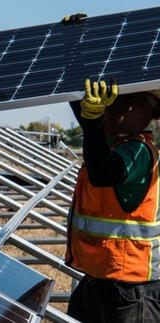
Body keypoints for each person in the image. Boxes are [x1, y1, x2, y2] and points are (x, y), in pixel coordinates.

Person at [66, 79, 160, 322]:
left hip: (130, 287)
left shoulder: (137, 151)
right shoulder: (113, 144)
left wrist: (92, 120)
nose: (105, 109)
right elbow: (92, 130)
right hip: (99, 280)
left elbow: (102, 172)